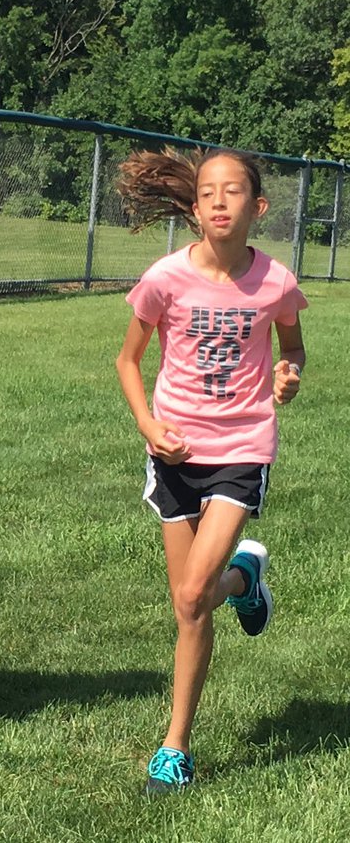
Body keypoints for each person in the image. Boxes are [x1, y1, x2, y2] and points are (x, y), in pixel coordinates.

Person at [115, 148, 307, 794]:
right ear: (194, 208)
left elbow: (293, 343)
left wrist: (290, 372)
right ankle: (245, 578)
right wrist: (148, 425)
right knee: (188, 605)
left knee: (194, 595)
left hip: (242, 448)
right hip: (173, 451)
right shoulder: (165, 278)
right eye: (208, 192)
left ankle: (174, 748)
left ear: (258, 207)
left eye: (233, 192)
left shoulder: (275, 281)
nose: (220, 201)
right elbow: (127, 360)